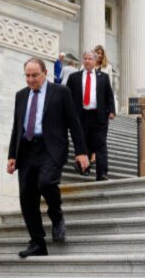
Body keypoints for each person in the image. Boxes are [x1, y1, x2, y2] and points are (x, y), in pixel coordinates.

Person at [7, 58, 89, 257]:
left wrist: (81, 152)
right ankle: (37, 243)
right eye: (27, 75)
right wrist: (12, 155)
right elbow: (17, 126)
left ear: (45, 73)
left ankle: (56, 214)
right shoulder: (21, 95)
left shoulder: (60, 92)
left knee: (46, 183)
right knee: (27, 198)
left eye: (34, 75)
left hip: (50, 148)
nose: (30, 79)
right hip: (26, 150)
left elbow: (74, 123)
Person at [66, 50, 116, 181]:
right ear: (83, 60)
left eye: (90, 59)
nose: (87, 61)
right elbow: (68, 97)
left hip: (98, 116)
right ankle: (84, 167)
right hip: (80, 116)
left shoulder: (103, 77)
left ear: (94, 61)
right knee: (83, 142)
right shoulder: (74, 77)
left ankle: (102, 173)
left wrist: (111, 110)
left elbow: (109, 96)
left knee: (101, 144)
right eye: (85, 58)